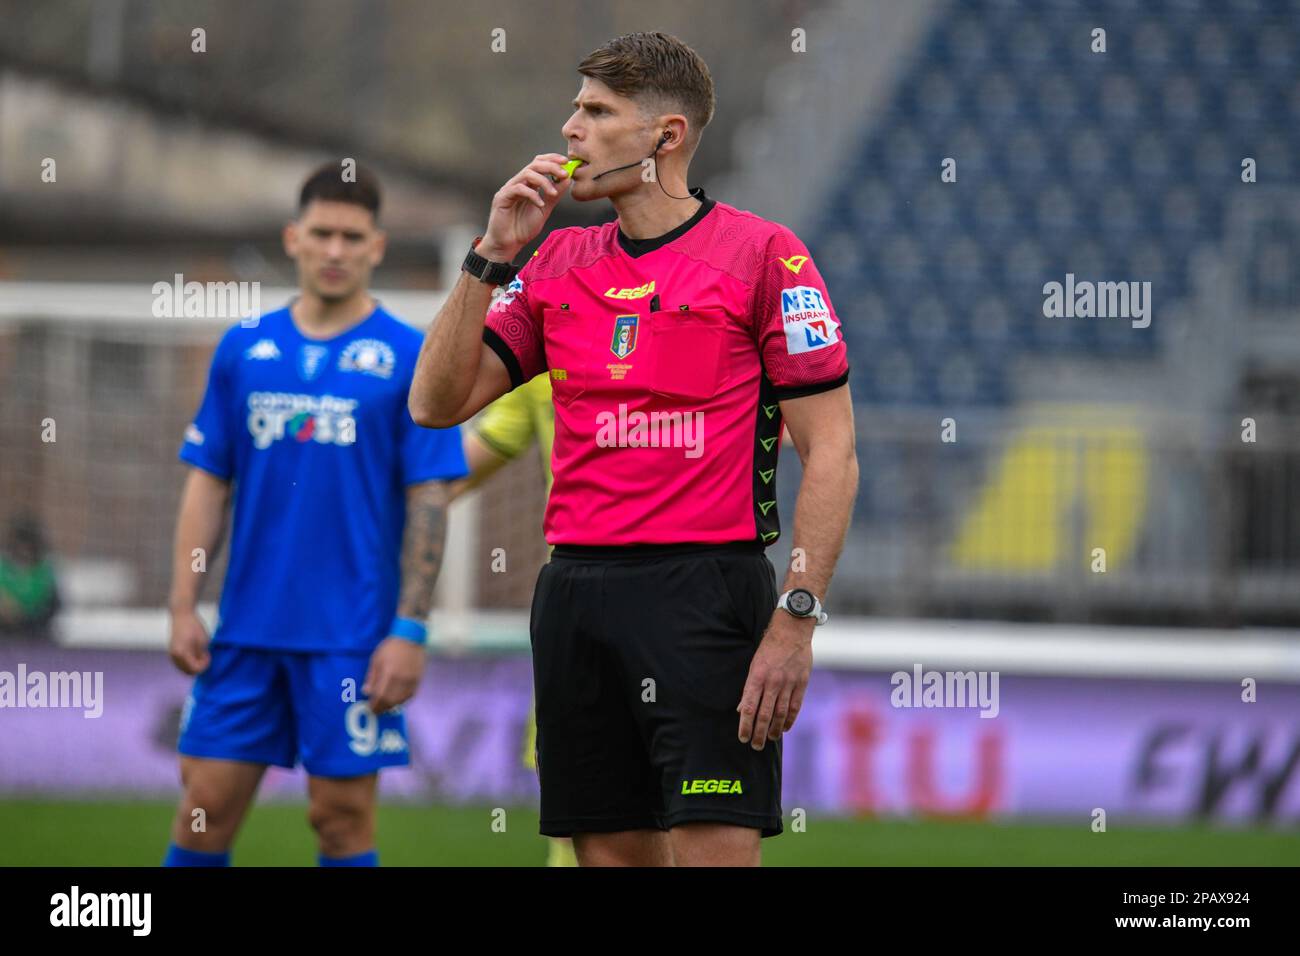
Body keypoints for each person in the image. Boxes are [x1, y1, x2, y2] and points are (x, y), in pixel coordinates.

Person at [409, 31, 859, 867]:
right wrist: (492, 254)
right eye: (577, 108)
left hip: (705, 592)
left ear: (666, 137)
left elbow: (830, 452)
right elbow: (434, 402)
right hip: (576, 592)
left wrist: (796, 618)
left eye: (596, 111)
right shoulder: (554, 263)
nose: (570, 128)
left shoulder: (766, 256)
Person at [164, 163, 467, 867]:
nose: (335, 250)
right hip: (245, 631)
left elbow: (431, 496)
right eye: (323, 233)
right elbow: (208, 481)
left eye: (352, 237)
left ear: (377, 247)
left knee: (339, 820)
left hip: (352, 638)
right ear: (294, 238)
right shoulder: (244, 347)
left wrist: (410, 629)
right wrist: (183, 604)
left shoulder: (409, 356)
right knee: (202, 808)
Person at [447, 371, 577, 866]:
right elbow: (450, 472)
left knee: (691, 817)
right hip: (579, 610)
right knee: (575, 815)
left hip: (690, 603)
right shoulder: (545, 353)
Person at [0, 513, 60, 640]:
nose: (24, 551)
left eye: (28, 547)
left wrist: (23, 616)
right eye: (20, 546)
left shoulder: (45, 572)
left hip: (36, 636)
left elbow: (54, 606)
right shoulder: (3, 569)